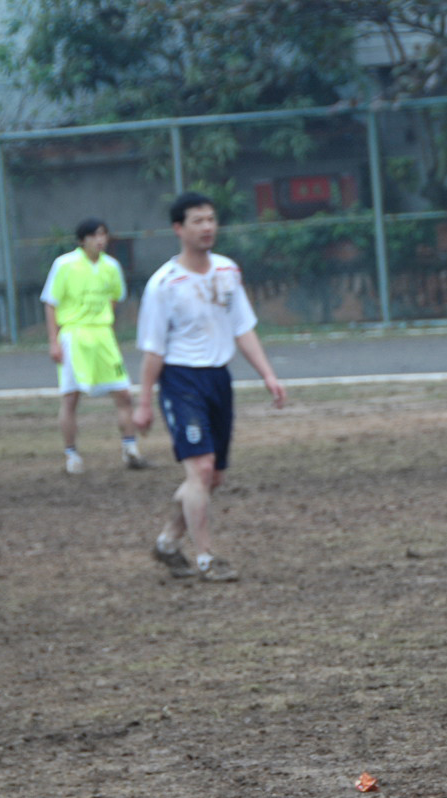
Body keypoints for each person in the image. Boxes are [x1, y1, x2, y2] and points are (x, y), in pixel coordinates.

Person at [133, 192, 287, 581]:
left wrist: (268, 375)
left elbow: (243, 328)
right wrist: (144, 401)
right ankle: (206, 559)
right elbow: (153, 349)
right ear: (178, 228)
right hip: (181, 380)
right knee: (200, 469)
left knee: (212, 477)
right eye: (198, 221)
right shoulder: (164, 284)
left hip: (218, 379)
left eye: (211, 219)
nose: (207, 227)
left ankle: (168, 543)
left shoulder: (227, 271)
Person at [41, 218, 146, 474]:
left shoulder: (111, 266)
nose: (100, 240)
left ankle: (130, 449)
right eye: (94, 235)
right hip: (74, 336)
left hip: (103, 336)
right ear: (82, 240)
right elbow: (51, 303)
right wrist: (54, 341)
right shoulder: (64, 264)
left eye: (103, 235)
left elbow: (115, 298)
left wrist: (104, 323)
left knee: (124, 394)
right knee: (71, 397)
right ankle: (72, 455)